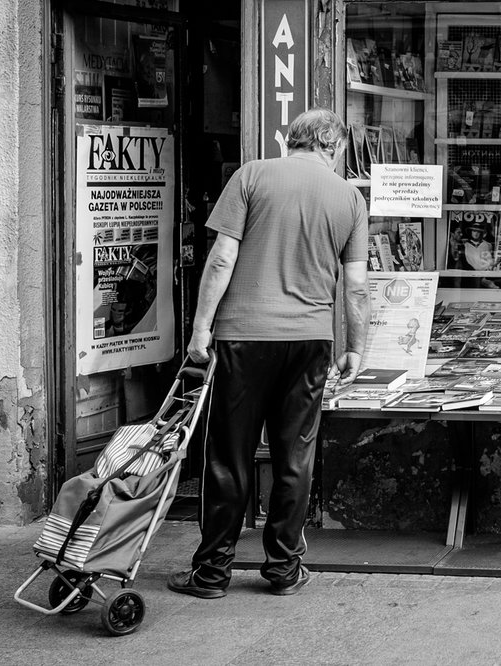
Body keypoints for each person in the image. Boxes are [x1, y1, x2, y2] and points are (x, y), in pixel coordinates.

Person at [167, 109, 370, 599]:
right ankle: (283, 568)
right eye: (340, 151)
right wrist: (356, 347)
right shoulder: (349, 197)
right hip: (310, 340)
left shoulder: (251, 176)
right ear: (330, 145)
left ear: (292, 140)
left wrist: (200, 328)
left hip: (243, 336)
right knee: (295, 455)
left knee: (227, 455)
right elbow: (357, 286)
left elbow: (222, 258)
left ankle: (212, 573)